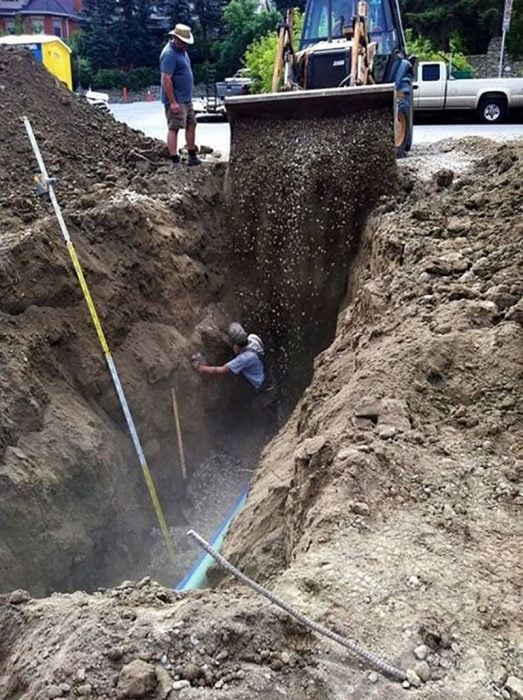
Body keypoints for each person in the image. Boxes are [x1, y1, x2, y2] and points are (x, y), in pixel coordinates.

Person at [160, 24, 201, 167]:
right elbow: (166, 78)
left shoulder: (182, 51)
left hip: (186, 98)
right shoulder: (169, 54)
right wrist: (172, 102)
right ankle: (174, 160)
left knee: (192, 124)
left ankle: (192, 155)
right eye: (184, 43)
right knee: (174, 127)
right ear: (175, 39)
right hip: (176, 100)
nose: (186, 46)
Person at [192, 323, 265, 391]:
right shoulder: (253, 338)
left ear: (236, 346)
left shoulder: (244, 358)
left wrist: (200, 368)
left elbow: (222, 370)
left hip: (257, 386)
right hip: (262, 371)